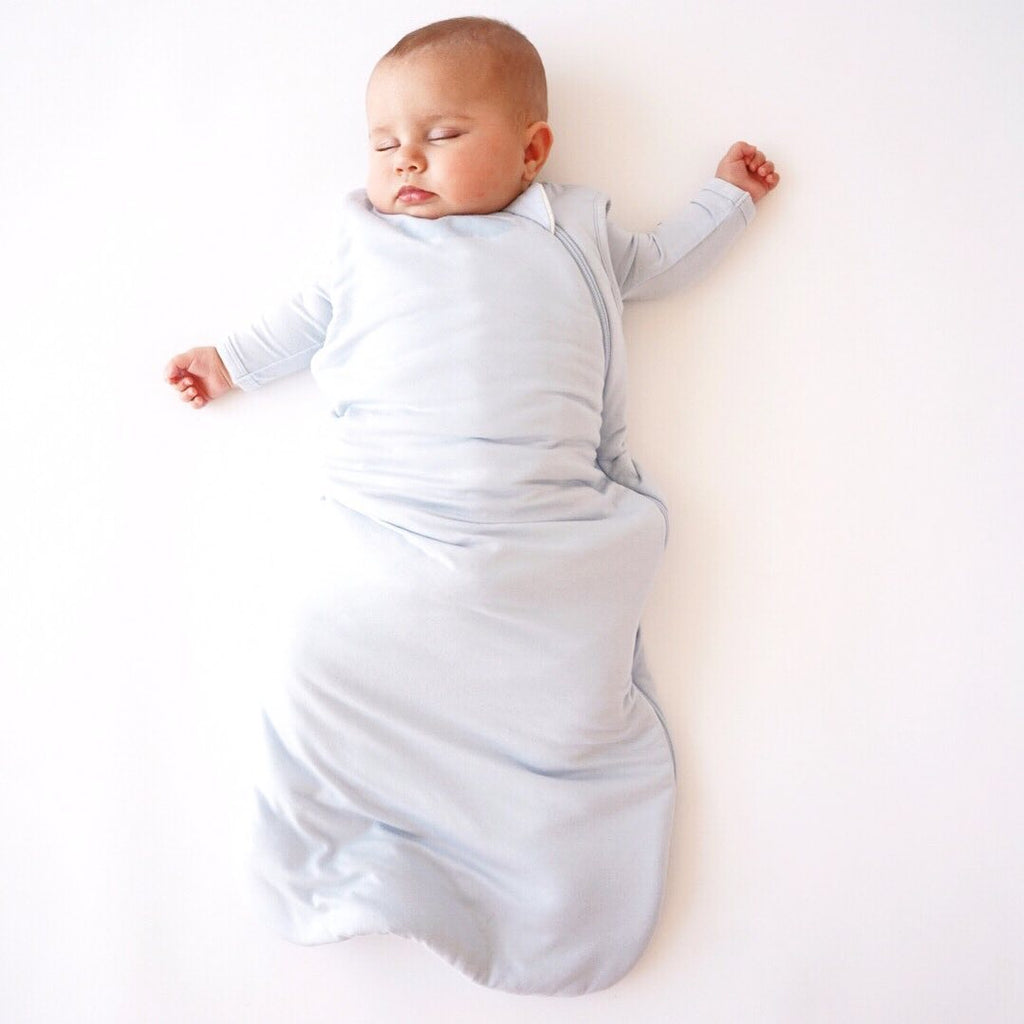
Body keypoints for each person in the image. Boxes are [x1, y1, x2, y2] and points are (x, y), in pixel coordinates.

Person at [165, 16, 778, 996]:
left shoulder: (574, 230)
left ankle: (542, 867)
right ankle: (357, 847)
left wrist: (728, 200)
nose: (405, 159)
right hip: (389, 531)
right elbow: (305, 322)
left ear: (533, 150)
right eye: (382, 143)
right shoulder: (363, 242)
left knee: (561, 686)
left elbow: (660, 262)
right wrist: (227, 362)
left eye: (443, 135)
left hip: (539, 539)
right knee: (330, 649)